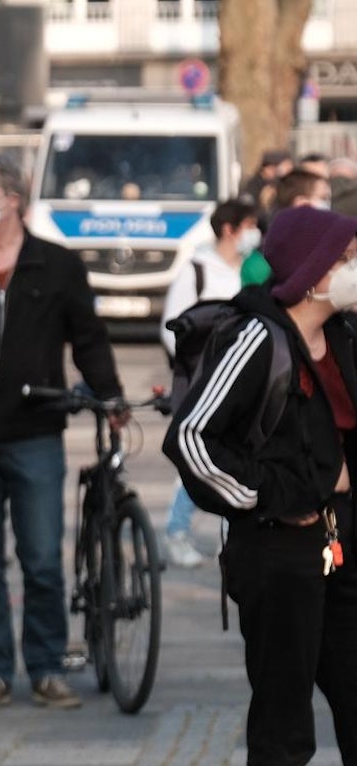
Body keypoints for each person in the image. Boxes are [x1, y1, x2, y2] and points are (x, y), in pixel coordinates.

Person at [163, 205, 357, 766]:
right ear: (313, 274)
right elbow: (192, 439)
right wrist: (269, 501)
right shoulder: (256, 338)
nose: (352, 272)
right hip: (277, 552)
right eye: (345, 260)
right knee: (284, 718)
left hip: (341, 547)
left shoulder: (341, 337)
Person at [0, 156, 124, 711]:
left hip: (34, 433)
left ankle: (45, 667)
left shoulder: (58, 265)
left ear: (12, 199)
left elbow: (87, 336)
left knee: (42, 557)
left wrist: (109, 393)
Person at [159, 199, 259, 569]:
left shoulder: (253, 268)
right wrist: (203, 361)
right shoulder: (197, 270)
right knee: (200, 455)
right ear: (230, 228)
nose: (255, 232)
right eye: (249, 224)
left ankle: (228, 537)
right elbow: (172, 326)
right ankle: (177, 531)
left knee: (234, 456)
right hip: (204, 379)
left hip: (244, 380)